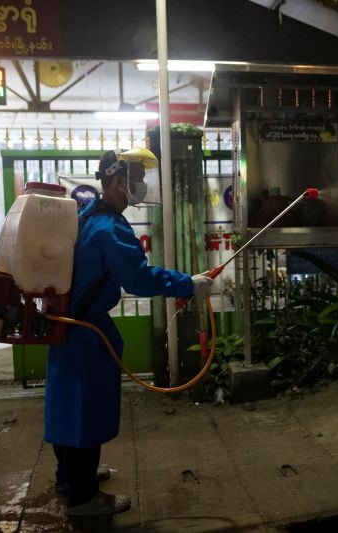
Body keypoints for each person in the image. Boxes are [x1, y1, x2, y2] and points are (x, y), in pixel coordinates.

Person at [45, 148, 213, 516]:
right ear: (119, 181)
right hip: (86, 330)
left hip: (66, 325)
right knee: (86, 412)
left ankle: (69, 477)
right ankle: (83, 497)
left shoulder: (89, 213)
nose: (141, 186)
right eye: (136, 179)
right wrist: (187, 284)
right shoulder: (111, 228)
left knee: (67, 407)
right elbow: (138, 278)